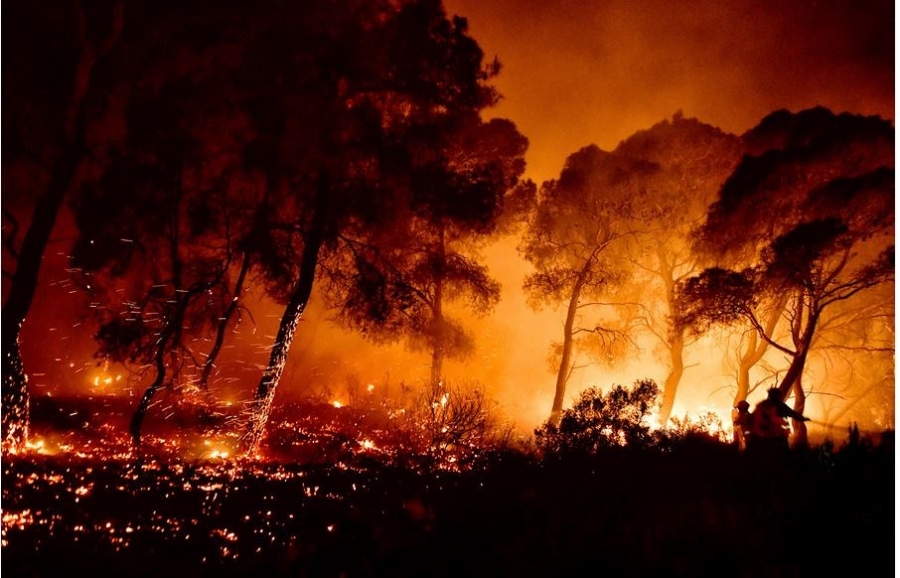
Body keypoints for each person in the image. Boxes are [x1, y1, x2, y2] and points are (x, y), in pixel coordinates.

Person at [749, 387, 810, 453]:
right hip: (775, 435)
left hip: (767, 435)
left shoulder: (762, 405)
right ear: (776, 396)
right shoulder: (778, 405)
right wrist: (801, 418)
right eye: (779, 396)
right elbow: (791, 413)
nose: (780, 397)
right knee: (780, 452)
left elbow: (752, 418)